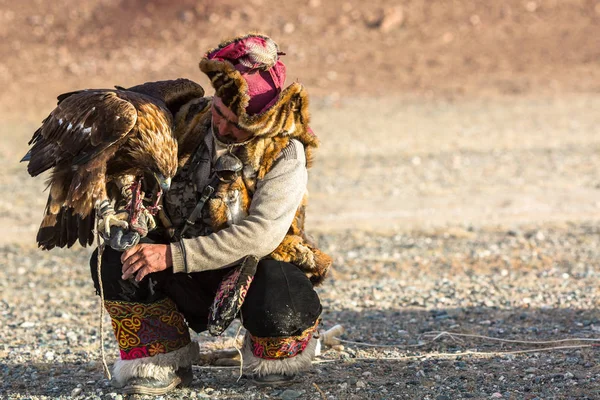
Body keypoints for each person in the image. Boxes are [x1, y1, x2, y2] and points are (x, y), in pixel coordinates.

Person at [90, 33, 332, 395]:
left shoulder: (285, 152)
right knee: (117, 259)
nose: (223, 127)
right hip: (176, 264)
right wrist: (125, 214)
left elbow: (262, 234)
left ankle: (272, 352)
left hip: (250, 270)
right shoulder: (183, 119)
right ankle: (160, 359)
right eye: (220, 113)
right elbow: (132, 173)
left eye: (238, 125)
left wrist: (172, 256)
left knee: (284, 299)